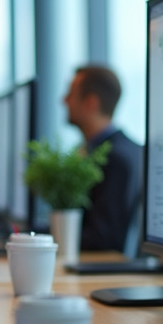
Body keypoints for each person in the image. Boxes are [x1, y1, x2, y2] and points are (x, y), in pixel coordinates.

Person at [62, 65, 144, 252]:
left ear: (91, 102)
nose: (64, 100)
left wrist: (46, 238)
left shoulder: (114, 159)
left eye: (70, 94)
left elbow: (102, 238)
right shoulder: (123, 149)